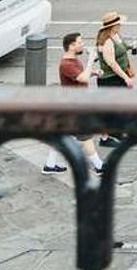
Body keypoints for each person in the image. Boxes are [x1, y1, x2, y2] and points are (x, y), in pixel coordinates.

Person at [43, 32, 106, 175]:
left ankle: (49, 165)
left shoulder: (73, 61)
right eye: (80, 42)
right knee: (86, 136)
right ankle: (99, 166)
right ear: (71, 46)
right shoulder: (66, 64)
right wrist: (91, 60)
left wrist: (94, 73)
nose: (83, 44)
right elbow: (82, 78)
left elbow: (80, 75)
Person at [95, 11, 136, 145]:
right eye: (119, 24)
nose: (121, 25)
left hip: (118, 77)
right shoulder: (106, 41)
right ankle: (104, 138)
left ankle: (116, 131)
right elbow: (111, 63)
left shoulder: (116, 35)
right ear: (113, 26)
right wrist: (126, 78)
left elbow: (122, 48)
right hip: (110, 79)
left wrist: (131, 46)